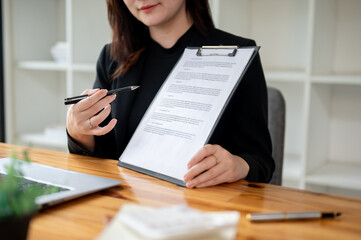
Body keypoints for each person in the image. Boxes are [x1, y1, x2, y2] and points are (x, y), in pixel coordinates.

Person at [66, 0, 274, 188]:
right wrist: (79, 132)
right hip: (125, 204)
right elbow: (103, 158)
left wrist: (238, 165)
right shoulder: (113, 57)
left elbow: (261, 162)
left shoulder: (237, 53)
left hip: (201, 208)